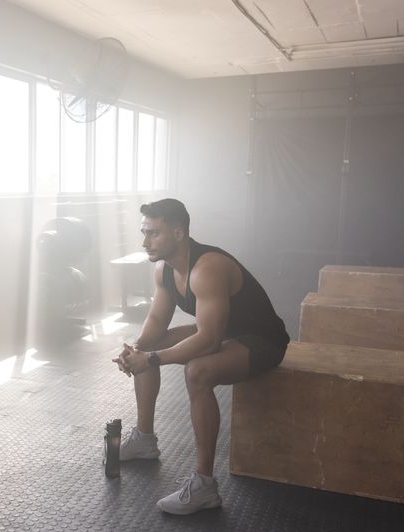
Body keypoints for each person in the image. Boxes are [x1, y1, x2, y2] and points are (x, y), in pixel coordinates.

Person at [112, 198, 289, 514]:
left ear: (178, 233)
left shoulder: (207, 268)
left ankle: (205, 485)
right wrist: (136, 350)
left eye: (153, 233)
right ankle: (144, 439)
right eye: (143, 233)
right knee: (144, 348)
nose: (144, 242)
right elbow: (155, 323)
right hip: (227, 333)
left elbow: (208, 340)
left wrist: (152, 359)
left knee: (198, 370)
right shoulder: (164, 270)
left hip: (263, 340)